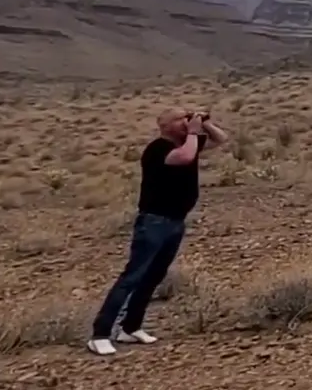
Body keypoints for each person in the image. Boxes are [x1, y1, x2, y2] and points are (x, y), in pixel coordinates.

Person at [86, 107, 228, 356]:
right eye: (180, 119)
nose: (186, 122)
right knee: (133, 276)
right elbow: (183, 158)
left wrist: (204, 124)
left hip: (175, 222)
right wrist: (194, 132)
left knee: (153, 276)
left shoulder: (189, 143)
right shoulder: (158, 149)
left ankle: (130, 328)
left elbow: (221, 140)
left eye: (187, 117)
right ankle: (100, 333)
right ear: (164, 125)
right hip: (154, 222)